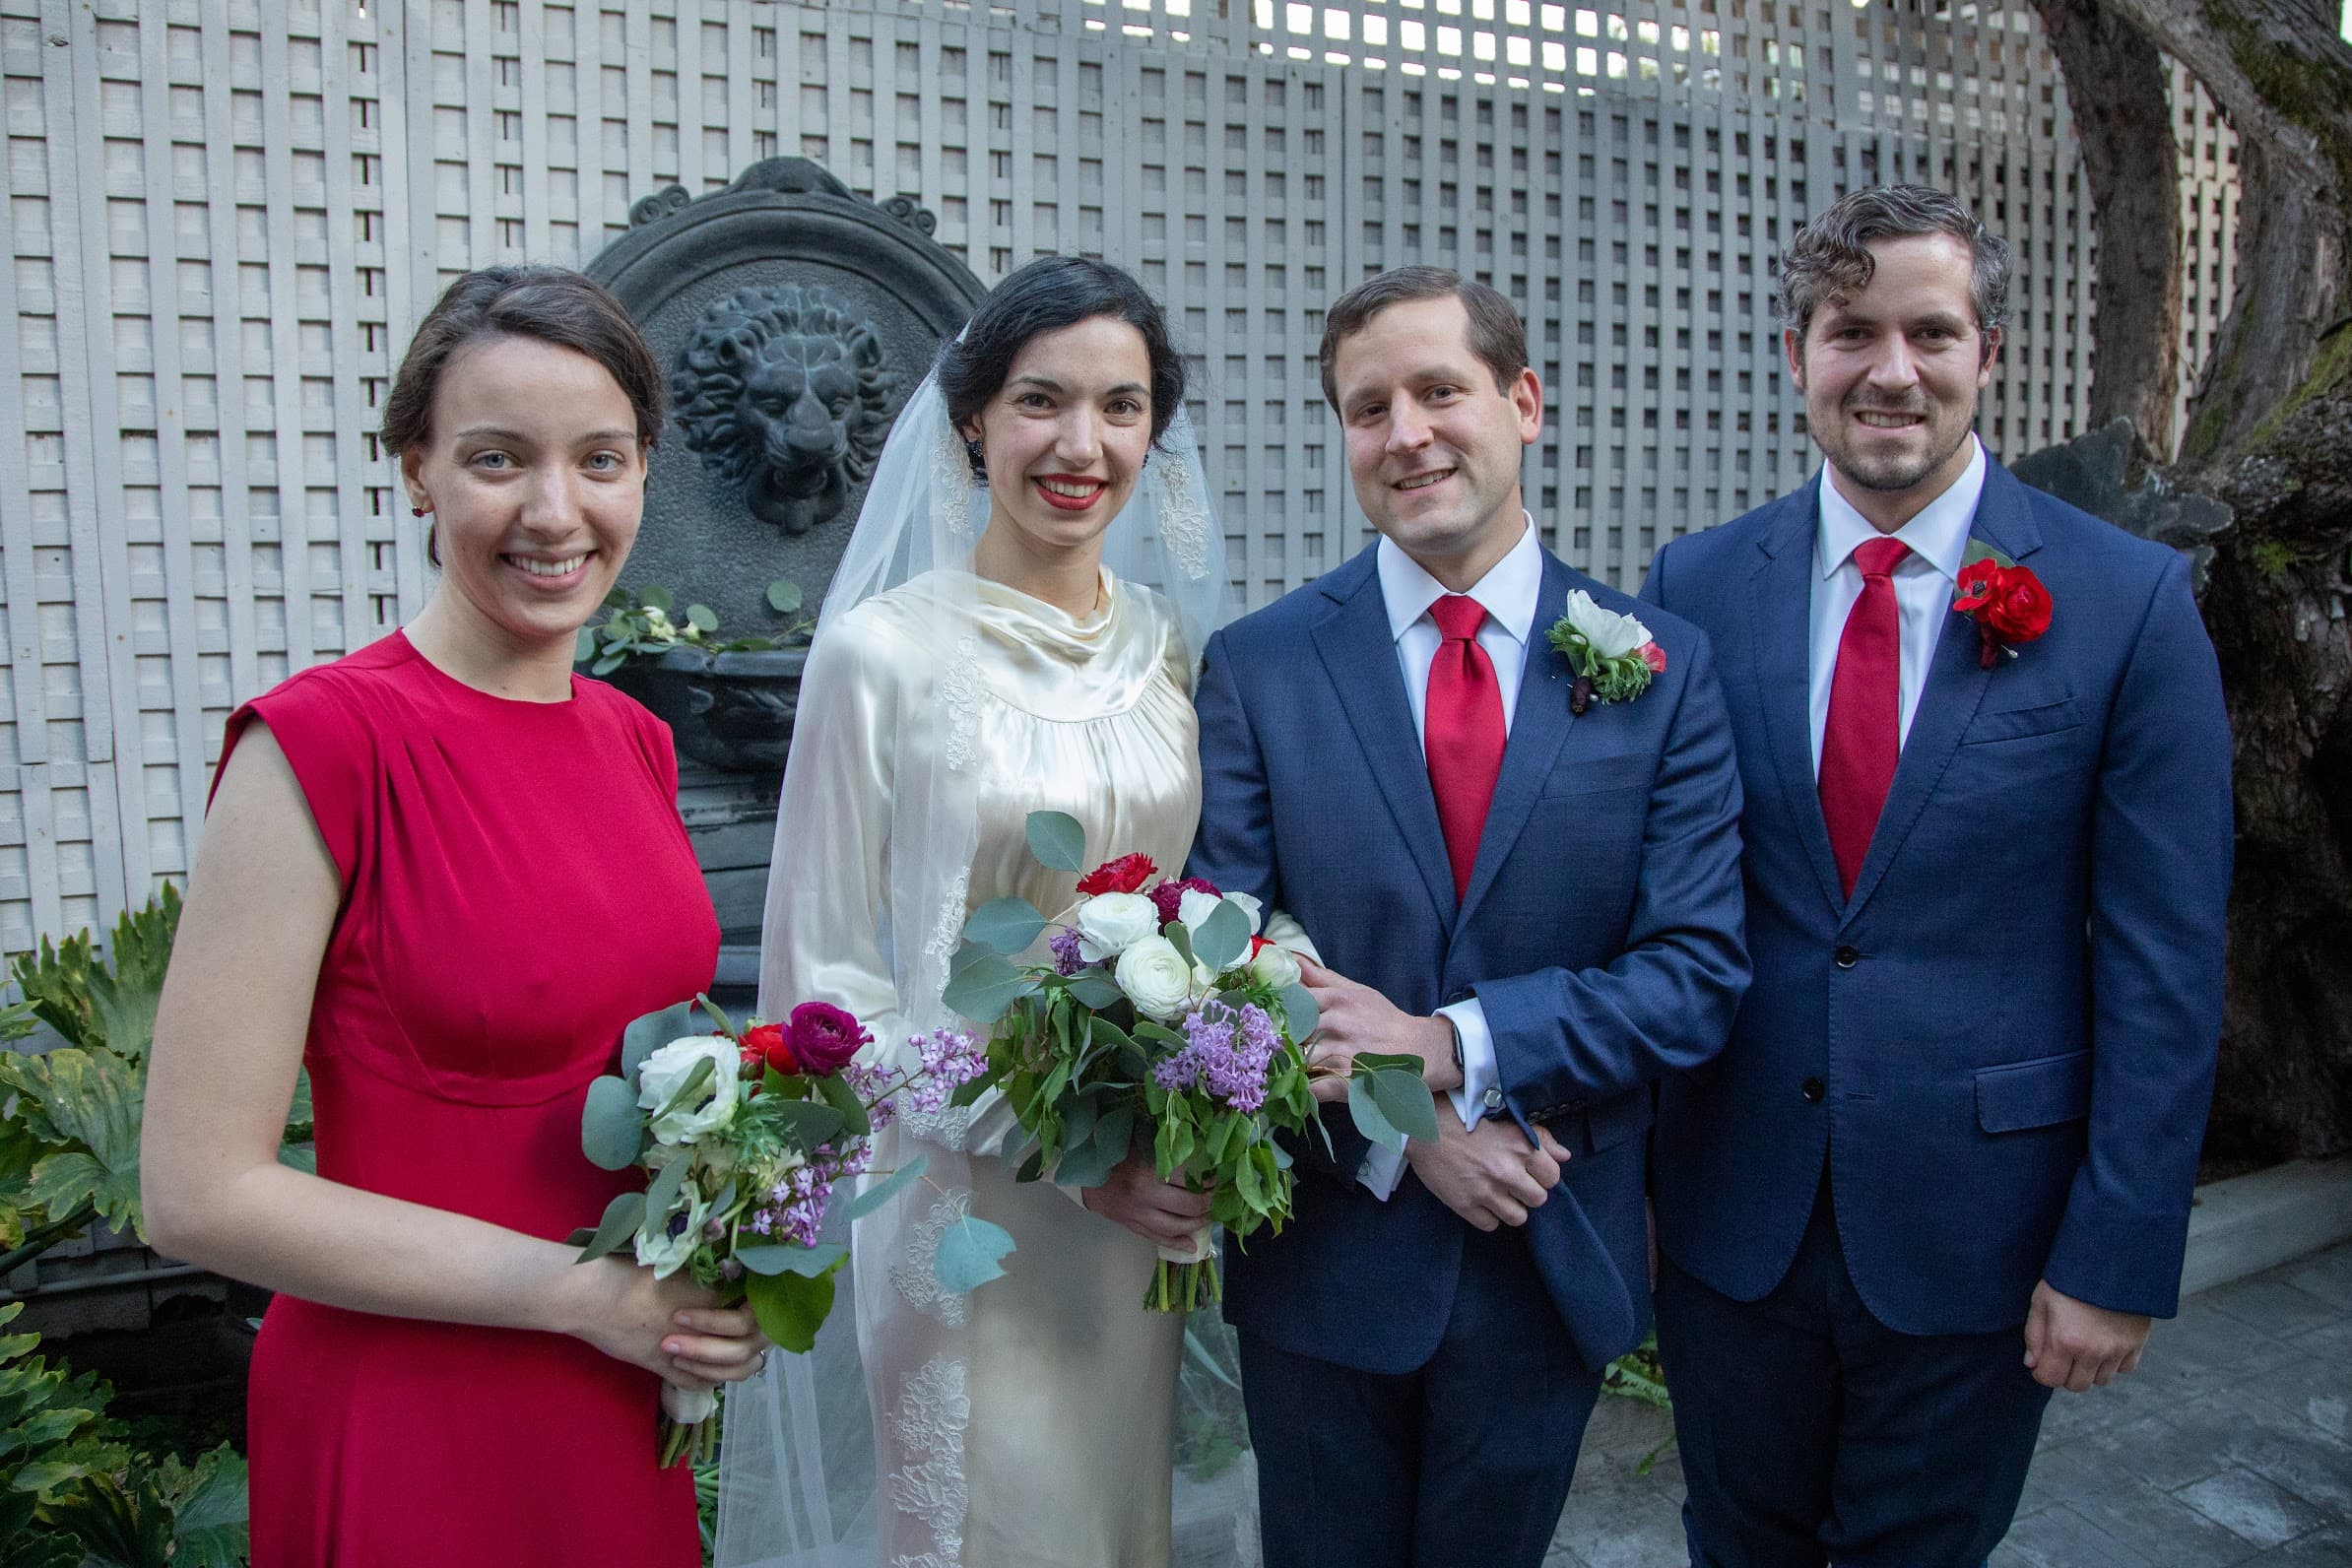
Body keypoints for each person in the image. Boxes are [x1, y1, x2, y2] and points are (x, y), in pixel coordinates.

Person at [1640, 185, 2234, 1566]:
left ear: (1990, 353)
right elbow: (1661, 901)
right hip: (1735, 1220)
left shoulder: (2127, 601)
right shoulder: (1698, 585)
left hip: (1985, 1229)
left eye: (1930, 332)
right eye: (1853, 333)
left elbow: (2163, 957)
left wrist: (2117, 1252)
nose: (1891, 372)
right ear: (1799, 356)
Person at [141, 266, 769, 1566]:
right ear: (418, 468)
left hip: (611, 1393)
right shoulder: (316, 747)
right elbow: (197, 1193)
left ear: (644, 470)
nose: (555, 511)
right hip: (410, 1411)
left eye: (599, 460)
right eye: (498, 459)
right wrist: (578, 1296)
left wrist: (720, 1260)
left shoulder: (636, 744)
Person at [1186, 266, 1750, 1568]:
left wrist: (1451, 1045)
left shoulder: (1660, 670)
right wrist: (1415, 1121)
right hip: (1323, 1251)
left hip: (1542, 1247)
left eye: (1439, 390)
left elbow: (1696, 970)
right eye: (1367, 408)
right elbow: (1224, 948)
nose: (1407, 433)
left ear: (1525, 402)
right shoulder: (1263, 665)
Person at [727, 255, 1233, 1568]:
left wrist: (1200, 1093)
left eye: (1122, 409)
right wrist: (1059, 1131)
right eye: (1040, 401)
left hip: (1138, 1220)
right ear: (973, 421)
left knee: (1125, 1526)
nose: (1082, 445)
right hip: (967, 1204)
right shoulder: (881, 653)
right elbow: (825, 992)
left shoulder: (1173, 648)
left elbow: (1206, 911)